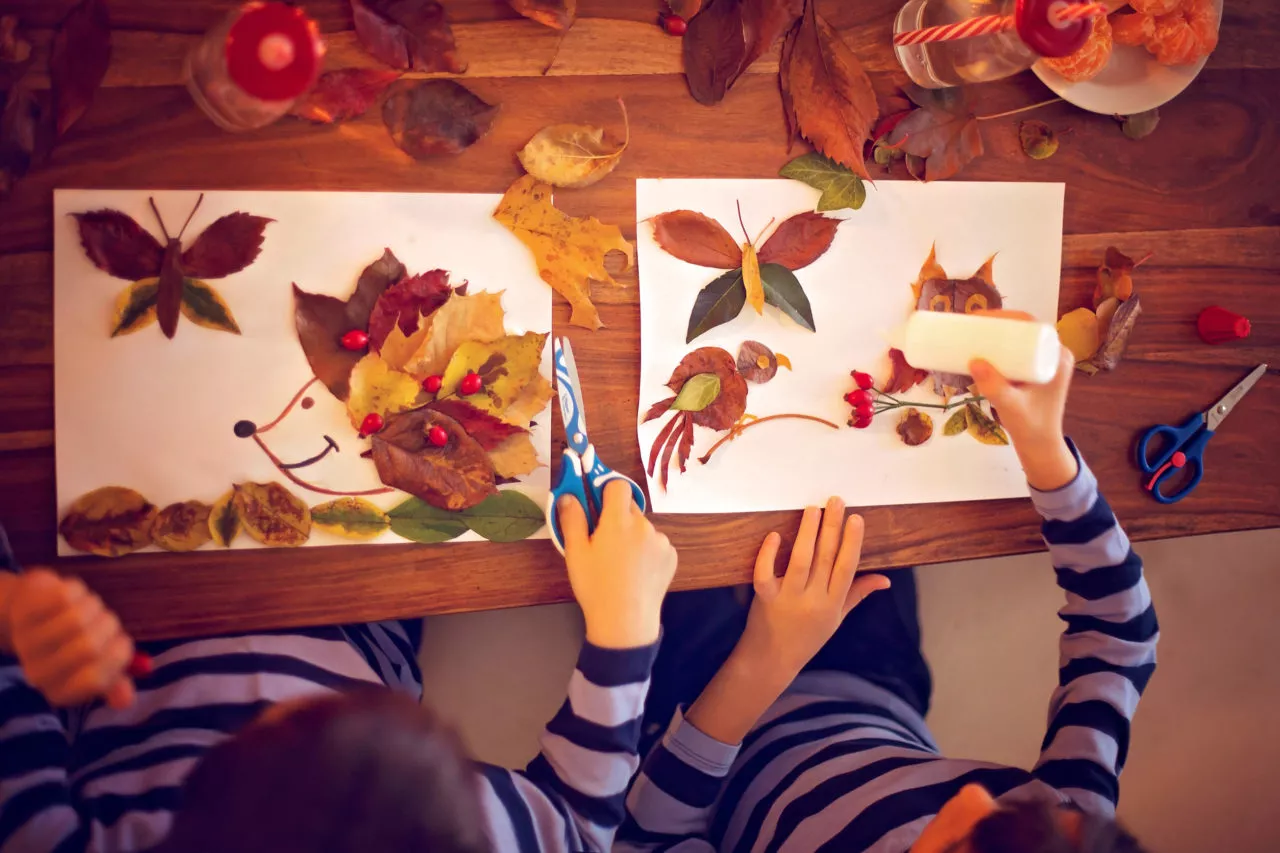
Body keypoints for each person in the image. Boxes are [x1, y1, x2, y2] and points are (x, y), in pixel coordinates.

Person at [621, 339, 1156, 853]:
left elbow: (650, 836)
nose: (974, 794)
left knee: (652, 518)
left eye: (955, 843)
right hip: (871, 685)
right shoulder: (1069, 825)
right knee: (862, 469)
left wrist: (765, 661)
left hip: (698, 720)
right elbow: (1119, 634)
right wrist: (1049, 459)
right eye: (1011, 809)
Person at [0, 480, 675, 853]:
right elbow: (585, 828)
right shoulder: (465, 829)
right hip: (367, 620)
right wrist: (626, 625)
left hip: (136, 602)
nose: (290, 695)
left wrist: (14, 615)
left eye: (290, 715)